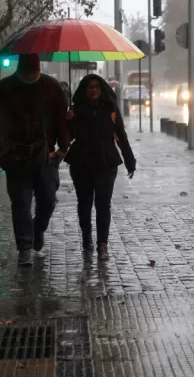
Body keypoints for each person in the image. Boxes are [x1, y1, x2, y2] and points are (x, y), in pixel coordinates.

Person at [0, 54, 69, 266]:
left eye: (34, 72)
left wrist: (62, 148)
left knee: (48, 199)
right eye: (28, 72)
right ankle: (24, 246)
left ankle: (37, 229)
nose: (31, 75)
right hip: (15, 155)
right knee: (21, 202)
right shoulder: (3, 89)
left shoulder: (51, 87)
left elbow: (61, 117)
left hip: (46, 154)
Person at [65, 74, 135, 261]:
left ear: (102, 89)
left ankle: (102, 243)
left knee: (103, 203)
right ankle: (86, 236)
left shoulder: (110, 109)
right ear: (84, 90)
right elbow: (67, 136)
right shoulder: (76, 109)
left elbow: (120, 134)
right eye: (90, 87)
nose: (94, 90)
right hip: (81, 161)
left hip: (106, 160)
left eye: (97, 86)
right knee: (84, 203)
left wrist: (129, 160)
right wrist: (68, 120)